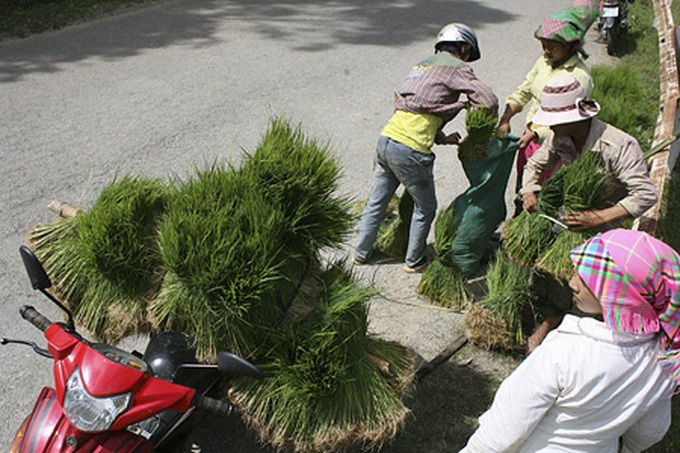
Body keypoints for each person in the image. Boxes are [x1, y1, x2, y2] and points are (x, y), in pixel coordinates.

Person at [461, 229, 679, 452]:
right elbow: (651, 430)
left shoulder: (565, 351)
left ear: (620, 293)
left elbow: (504, 430)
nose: (573, 282)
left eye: (588, 279)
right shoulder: (665, 358)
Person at [522, 74, 658, 352]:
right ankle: (552, 320)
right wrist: (529, 190)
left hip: (607, 224)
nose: (553, 127)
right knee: (558, 274)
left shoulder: (618, 145)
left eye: (557, 120)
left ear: (579, 116)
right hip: (571, 218)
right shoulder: (560, 137)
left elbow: (646, 194)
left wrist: (600, 217)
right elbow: (535, 164)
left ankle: (592, 337)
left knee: (595, 286)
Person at [353, 23, 498, 273]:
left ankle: (361, 254)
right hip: (410, 152)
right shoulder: (456, 67)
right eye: (467, 52)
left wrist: (442, 138)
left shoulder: (422, 66)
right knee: (426, 207)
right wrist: (481, 132)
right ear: (463, 47)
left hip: (386, 141)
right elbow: (488, 100)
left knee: (377, 202)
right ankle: (415, 261)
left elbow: (420, 109)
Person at [497, 1, 600, 214]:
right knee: (524, 188)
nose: (546, 50)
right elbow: (524, 90)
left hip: (556, 143)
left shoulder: (578, 76)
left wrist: (537, 132)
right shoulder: (543, 61)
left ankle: (536, 235)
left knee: (543, 196)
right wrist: (506, 119)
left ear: (571, 44)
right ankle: (516, 224)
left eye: (552, 45)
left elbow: (571, 121)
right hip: (530, 139)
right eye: (543, 44)